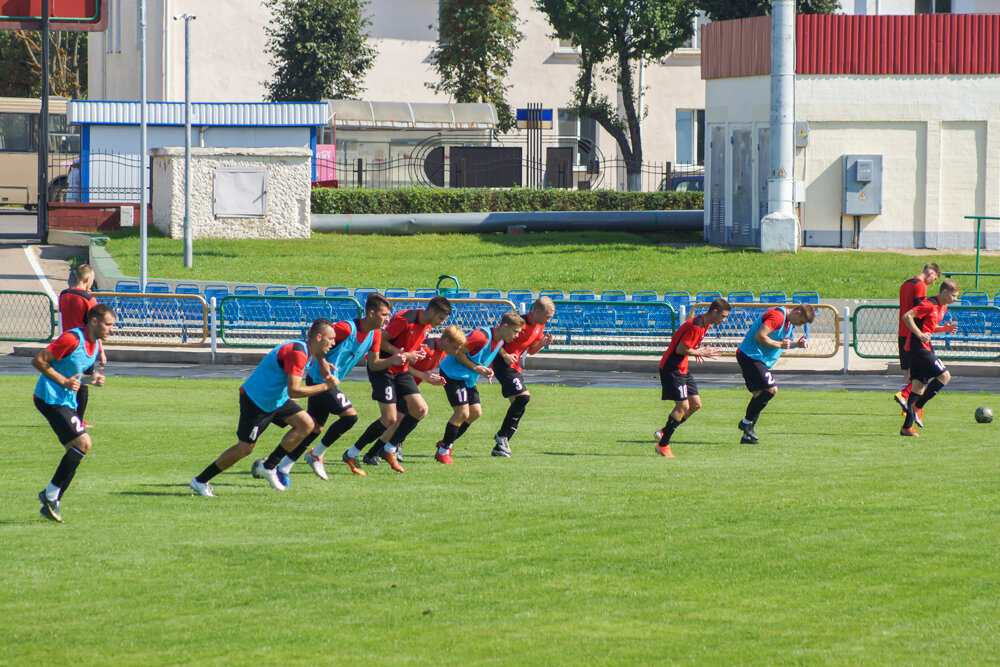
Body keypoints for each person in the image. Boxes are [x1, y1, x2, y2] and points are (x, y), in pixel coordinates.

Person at [256, 294, 402, 483]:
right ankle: (316, 455)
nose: (387, 319)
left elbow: (373, 364)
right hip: (319, 380)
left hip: (330, 383)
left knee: (314, 428)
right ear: (371, 313)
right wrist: (322, 361)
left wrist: (393, 360)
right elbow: (316, 342)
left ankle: (281, 467)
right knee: (350, 416)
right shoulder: (345, 328)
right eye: (384, 314)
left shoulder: (375, 334)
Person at [189, 319, 339, 497]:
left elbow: (314, 353)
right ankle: (200, 481)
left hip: (276, 400)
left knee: (306, 424)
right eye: (331, 338)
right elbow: (295, 390)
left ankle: (268, 466)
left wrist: (322, 362)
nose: (334, 342)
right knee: (244, 449)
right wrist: (326, 386)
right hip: (256, 402)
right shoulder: (298, 353)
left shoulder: (307, 347)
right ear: (319, 337)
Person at [347, 295, 452, 474]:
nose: (441, 323)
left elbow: (408, 346)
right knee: (390, 419)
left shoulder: (427, 325)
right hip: (384, 368)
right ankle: (352, 453)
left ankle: (389, 449)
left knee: (420, 409)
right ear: (431, 311)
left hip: (402, 369)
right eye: (441, 318)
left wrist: (416, 352)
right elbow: (380, 340)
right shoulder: (406, 319)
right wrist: (403, 354)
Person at [32, 303, 114, 523]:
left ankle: (52, 502)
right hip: (49, 398)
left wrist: (90, 379)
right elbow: (39, 361)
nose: (111, 329)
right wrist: (63, 382)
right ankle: (50, 495)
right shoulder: (71, 339)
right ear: (94, 321)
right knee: (83, 443)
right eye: (108, 324)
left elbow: (76, 376)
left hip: (65, 401)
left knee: (76, 452)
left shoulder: (94, 345)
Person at [435, 312, 525, 464]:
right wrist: (476, 368)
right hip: (452, 374)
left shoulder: (499, 342)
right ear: (505, 326)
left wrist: (487, 370)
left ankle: (446, 442)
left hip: (467, 378)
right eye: (515, 331)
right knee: (462, 413)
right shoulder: (480, 336)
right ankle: (443, 451)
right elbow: (457, 351)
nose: (516, 336)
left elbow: (480, 358)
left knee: (475, 413)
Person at [654, 298, 731, 457]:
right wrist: (701, 352)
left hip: (682, 368)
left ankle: (665, 431)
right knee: (682, 406)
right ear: (714, 312)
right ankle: (663, 444)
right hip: (671, 368)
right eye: (723, 316)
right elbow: (680, 349)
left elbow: (687, 346)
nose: (724, 320)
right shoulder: (696, 325)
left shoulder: (705, 324)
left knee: (695, 404)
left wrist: (697, 351)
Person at [735, 303, 815, 444]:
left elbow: (782, 343)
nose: (800, 325)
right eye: (801, 321)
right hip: (750, 356)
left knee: (759, 396)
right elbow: (760, 336)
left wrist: (797, 344)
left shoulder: (789, 323)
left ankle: (747, 436)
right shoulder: (778, 316)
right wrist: (780, 345)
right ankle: (746, 422)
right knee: (771, 390)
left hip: (757, 358)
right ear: (797, 312)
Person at [490, 296, 555, 458]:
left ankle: (499, 447)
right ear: (537, 311)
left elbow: (531, 350)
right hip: (502, 363)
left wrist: (542, 343)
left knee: (518, 407)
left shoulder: (540, 326)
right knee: (524, 398)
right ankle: (502, 435)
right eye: (547, 316)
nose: (548, 320)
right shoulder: (518, 322)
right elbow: (495, 339)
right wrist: (505, 355)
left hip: (515, 367)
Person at [899, 279, 959, 436]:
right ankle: (918, 407)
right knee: (945, 376)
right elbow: (907, 316)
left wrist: (944, 329)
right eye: (953, 295)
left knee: (918, 387)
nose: (956, 299)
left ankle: (907, 427)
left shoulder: (943, 307)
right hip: (918, 347)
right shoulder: (929, 304)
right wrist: (919, 334)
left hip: (923, 347)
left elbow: (929, 327)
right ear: (944, 292)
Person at [58, 264, 105, 428]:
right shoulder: (89, 300)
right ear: (87, 279)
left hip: (66, 343)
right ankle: (78, 420)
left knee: (68, 381)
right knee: (83, 383)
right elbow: (95, 326)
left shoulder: (64, 295)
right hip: (84, 346)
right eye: (92, 280)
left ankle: (66, 415)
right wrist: (101, 351)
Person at [894, 263, 941, 421]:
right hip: (913, 334)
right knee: (920, 372)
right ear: (930, 272)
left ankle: (905, 406)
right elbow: (919, 311)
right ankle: (906, 399)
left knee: (908, 371)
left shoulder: (905, 284)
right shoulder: (920, 286)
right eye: (935, 278)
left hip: (902, 332)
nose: (933, 282)